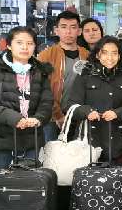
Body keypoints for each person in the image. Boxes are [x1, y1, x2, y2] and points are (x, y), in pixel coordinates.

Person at [63, 36, 122, 163]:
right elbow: (69, 105)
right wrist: (87, 111)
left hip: (116, 143)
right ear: (98, 55)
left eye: (114, 53)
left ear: (119, 56)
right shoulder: (84, 77)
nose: (110, 57)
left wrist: (116, 113)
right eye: (105, 53)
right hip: (88, 142)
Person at [0, 27, 53, 171]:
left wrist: (39, 118)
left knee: (29, 186)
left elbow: (46, 102)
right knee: (3, 184)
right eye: (19, 42)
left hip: (31, 138)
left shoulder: (40, 71)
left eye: (30, 43)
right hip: (2, 139)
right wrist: (14, 118)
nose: (25, 47)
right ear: (9, 45)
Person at [38, 11, 89, 141]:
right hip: (52, 118)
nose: (68, 32)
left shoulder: (88, 56)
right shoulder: (46, 56)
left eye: (73, 27)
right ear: (56, 30)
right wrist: (58, 115)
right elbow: (42, 89)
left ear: (79, 31)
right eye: (64, 27)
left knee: (78, 157)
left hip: (79, 117)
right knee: (51, 157)